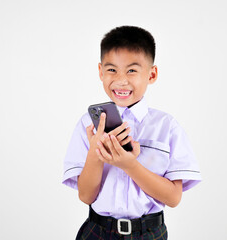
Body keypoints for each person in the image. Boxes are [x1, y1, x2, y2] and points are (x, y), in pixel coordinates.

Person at [62, 25, 201, 239]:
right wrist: (96, 153)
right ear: (100, 72)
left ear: (152, 74)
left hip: (148, 233)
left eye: (132, 70)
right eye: (111, 70)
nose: (121, 80)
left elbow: (173, 198)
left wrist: (129, 165)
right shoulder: (88, 125)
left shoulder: (166, 126)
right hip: (98, 231)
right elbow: (86, 195)